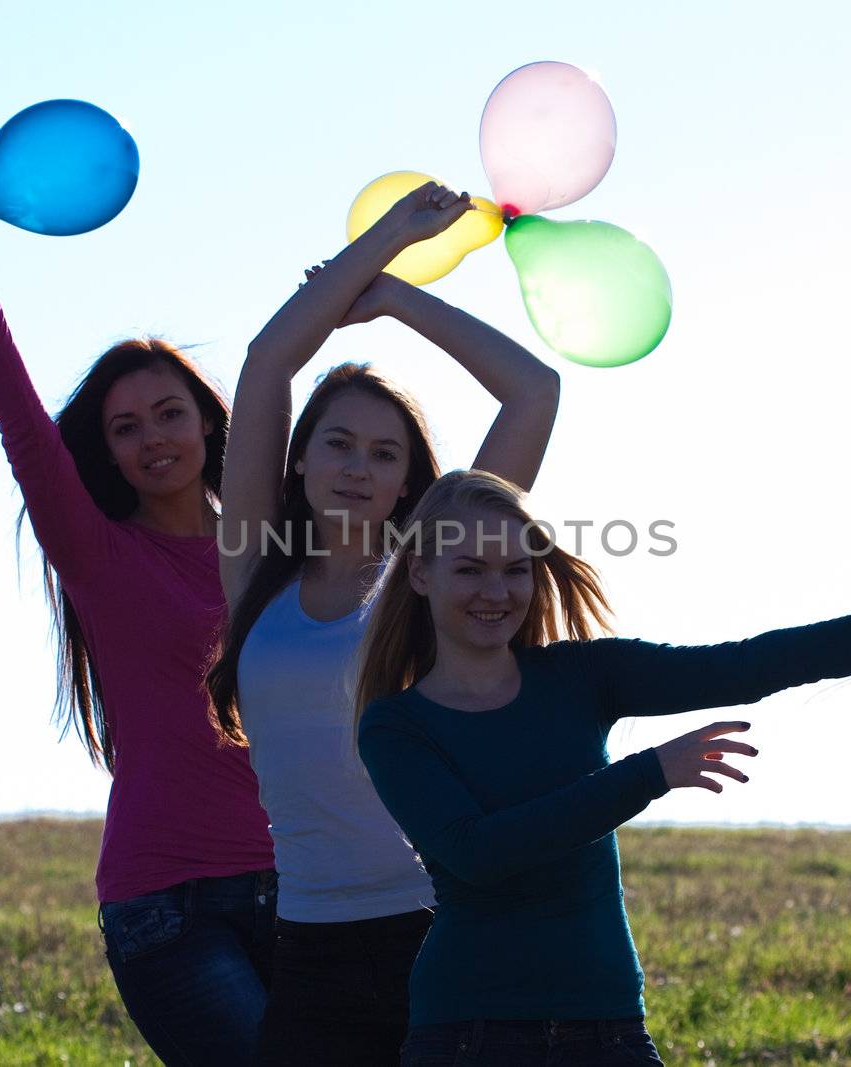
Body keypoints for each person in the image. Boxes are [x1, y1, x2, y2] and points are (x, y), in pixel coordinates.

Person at [353, 470, 851, 1066]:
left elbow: (738, 667)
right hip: (470, 1034)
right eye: (470, 570)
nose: (497, 593)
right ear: (420, 574)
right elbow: (477, 853)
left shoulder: (583, 676)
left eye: (516, 571)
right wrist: (648, 774)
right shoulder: (395, 727)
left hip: (606, 1021)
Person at [0, 169, 276, 1066]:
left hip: (300, 888)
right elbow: (27, 434)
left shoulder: (272, 551)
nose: (152, 439)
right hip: (167, 905)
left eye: (168, 414)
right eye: (125, 427)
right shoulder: (104, 557)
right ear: (104, 450)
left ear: (208, 424)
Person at [205, 182, 561, 1065]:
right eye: (338, 442)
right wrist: (387, 239)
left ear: (409, 482)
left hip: (436, 929)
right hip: (309, 944)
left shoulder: (428, 572)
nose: (358, 467)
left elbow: (533, 391)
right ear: (299, 460)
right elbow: (265, 362)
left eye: (384, 452)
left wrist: (397, 295)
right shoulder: (253, 564)